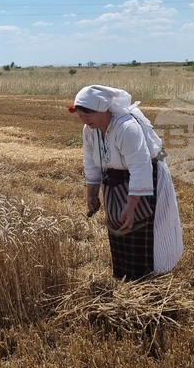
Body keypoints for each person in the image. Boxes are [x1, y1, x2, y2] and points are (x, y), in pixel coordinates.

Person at [69, 85, 184, 280]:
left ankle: (148, 277)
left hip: (144, 180)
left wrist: (132, 205)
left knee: (142, 226)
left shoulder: (126, 127)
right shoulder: (90, 130)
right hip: (115, 181)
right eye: (80, 114)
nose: (84, 118)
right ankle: (124, 276)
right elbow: (90, 161)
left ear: (104, 109)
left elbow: (141, 166)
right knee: (118, 225)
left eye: (88, 113)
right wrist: (91, 194)